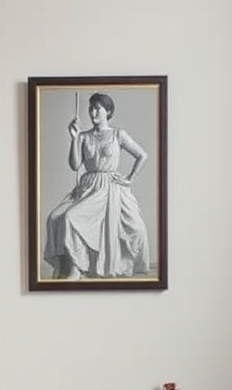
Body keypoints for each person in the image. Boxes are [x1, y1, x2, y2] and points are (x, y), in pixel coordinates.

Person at [44, 91, 151, 279]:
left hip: (109, 189)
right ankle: (70, 266)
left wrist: (130, 178)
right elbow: (75, 165)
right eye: (90, 108)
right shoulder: (83, 136)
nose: (92, 112)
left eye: (97, 108)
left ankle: (76, 268)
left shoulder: (118, 134)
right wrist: (74, 138)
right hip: (87, 187)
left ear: (107, 112)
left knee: (72, 218)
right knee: (54, 218)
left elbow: (142, 155)